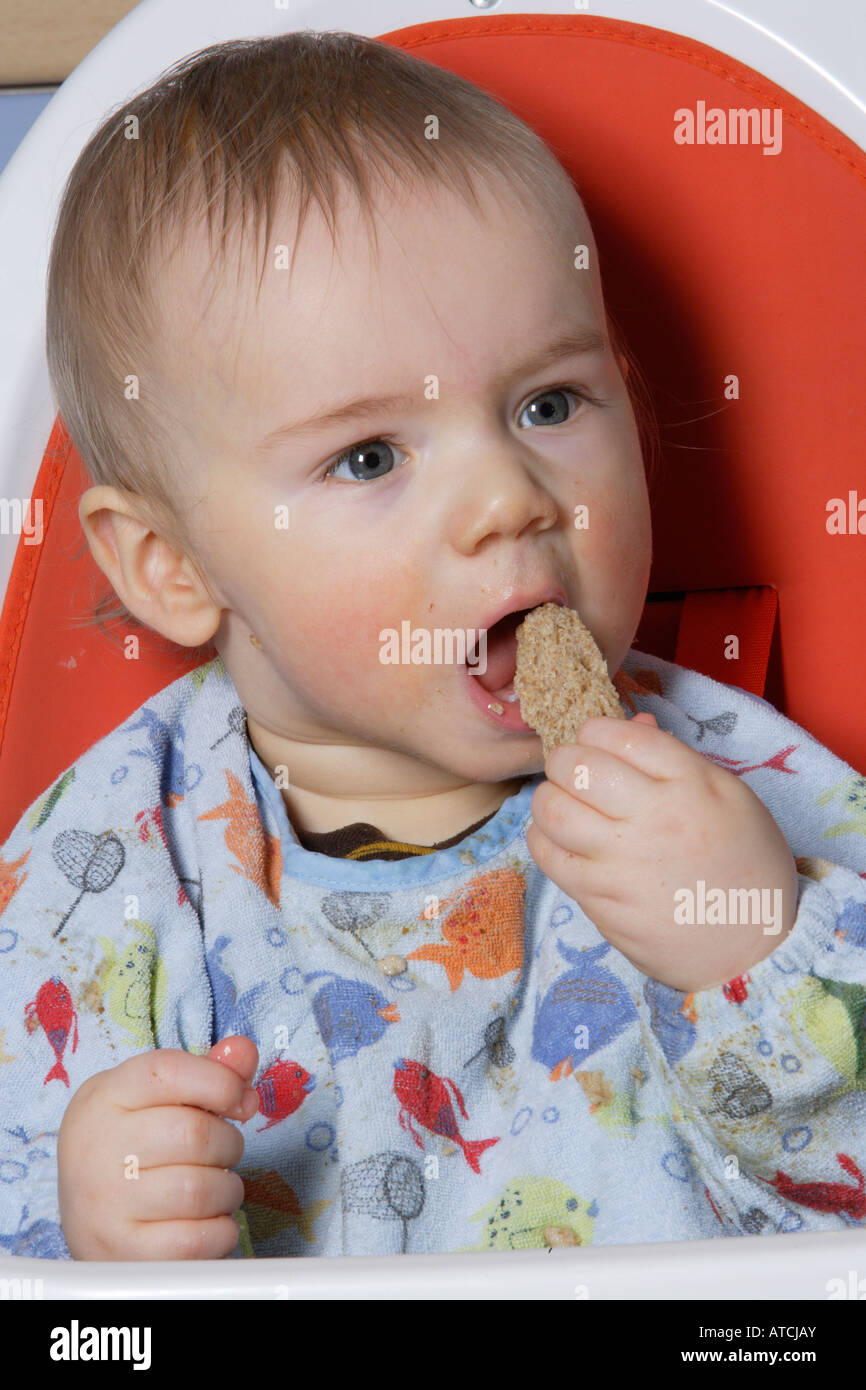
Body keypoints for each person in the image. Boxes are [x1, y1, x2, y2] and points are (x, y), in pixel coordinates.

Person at [1, 31, 864, 1261]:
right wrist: (97, 1251)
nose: (508, 496)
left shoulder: (731, 788)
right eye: (368, 457)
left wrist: (760, 953)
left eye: (546, 405)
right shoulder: (103, 869)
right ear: (172, 566)